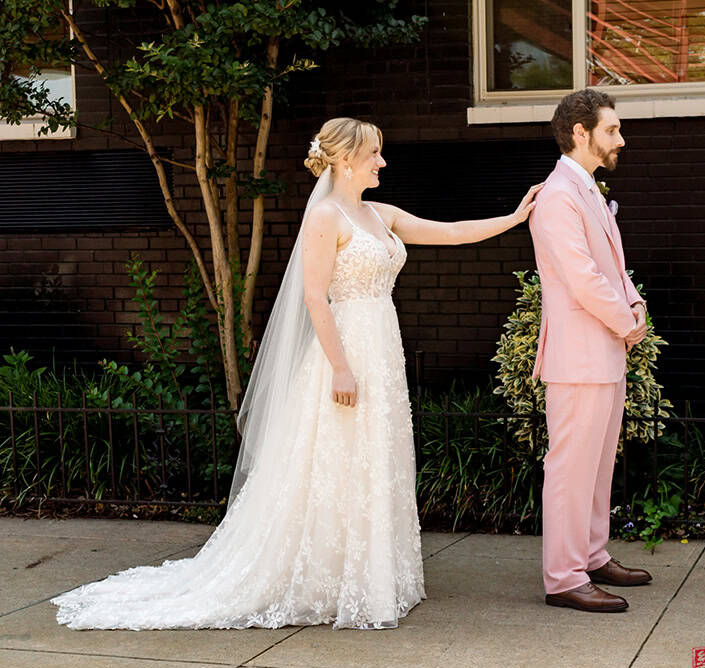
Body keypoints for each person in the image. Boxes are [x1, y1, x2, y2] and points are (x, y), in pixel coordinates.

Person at [52, 117, 541, 630]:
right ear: (346, 159)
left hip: (383, 350)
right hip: (346, 351)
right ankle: (322, 579)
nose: (382, 161)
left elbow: (449, 233)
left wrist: (513, 218)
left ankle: (369, 576)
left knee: (374, 459)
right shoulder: (325, 217)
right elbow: (314, 297)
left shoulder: (379, 213)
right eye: (375, 153)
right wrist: (341, 368)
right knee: (333, 462)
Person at [528, 89, 652, 613]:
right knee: (570, 468)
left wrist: (636, 304)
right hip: (579, 354)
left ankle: (593, 555)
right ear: (581, 132)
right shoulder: (558, 195)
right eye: (611, 130)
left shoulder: (589, 190)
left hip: (605, 350)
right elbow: (581, 278)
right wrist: (627, 322)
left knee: (598, 465)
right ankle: (563, 577)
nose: (620, 139)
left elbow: (613, 266)